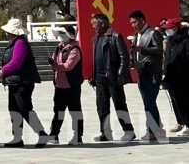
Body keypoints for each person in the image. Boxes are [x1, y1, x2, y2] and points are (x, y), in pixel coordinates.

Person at [0, 18, 50, 148]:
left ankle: (41, 133)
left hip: (22, 81)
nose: (7, 34)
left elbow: (16, 61)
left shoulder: (20, 43)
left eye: (8, 32)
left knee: (24, 108)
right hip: (15, 81)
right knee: (14, 109)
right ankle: (17, 138)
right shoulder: (14, 43)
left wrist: (3, 70)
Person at [89, 13, 135, 142]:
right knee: (102, 106)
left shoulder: (115, 36)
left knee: (119, 104)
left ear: (103, 23)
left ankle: (129, 131)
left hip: (113, 77)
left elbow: (124, 57)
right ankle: (105, 133)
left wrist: (121, 74)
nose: (93, 26)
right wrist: (93, 75)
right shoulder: (96, 38)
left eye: (94, 23)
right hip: (99, 78)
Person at [129, 9, 165, 140]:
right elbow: (135, 53)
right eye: (131, 23)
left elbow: (159, 50)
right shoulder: (136, 36)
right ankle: (157, 128)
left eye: (135, 22)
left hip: (152, 73)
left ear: (142, 20)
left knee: (149, 101)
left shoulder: (153, 33)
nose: (133, 25)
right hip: (141, 73)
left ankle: (153, 130)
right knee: (147, 102)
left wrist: (142, 49)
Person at [47, 25, 84, 145]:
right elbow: (54, 62)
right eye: (59, 33)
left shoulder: (74, 49)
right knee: (58, 111)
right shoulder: (58, 48)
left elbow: (69, 66)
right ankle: (54, 134)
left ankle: (78, 136)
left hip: (72, 85)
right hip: (59, 85)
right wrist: (52, 63)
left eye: (63, 33)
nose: (60, 36)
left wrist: (55, 66)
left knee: (75, 111)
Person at [162, 18, 189, 137]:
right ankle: (181, 122)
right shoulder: (170, 41)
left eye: (168, 28)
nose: (166, 31)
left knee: (184, 101)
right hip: (171, 76)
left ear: (175, 28)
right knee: (175, 101)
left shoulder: (185, 41)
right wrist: (165, 72)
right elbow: (167, 58)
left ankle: (187, 124)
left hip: (182, 76)